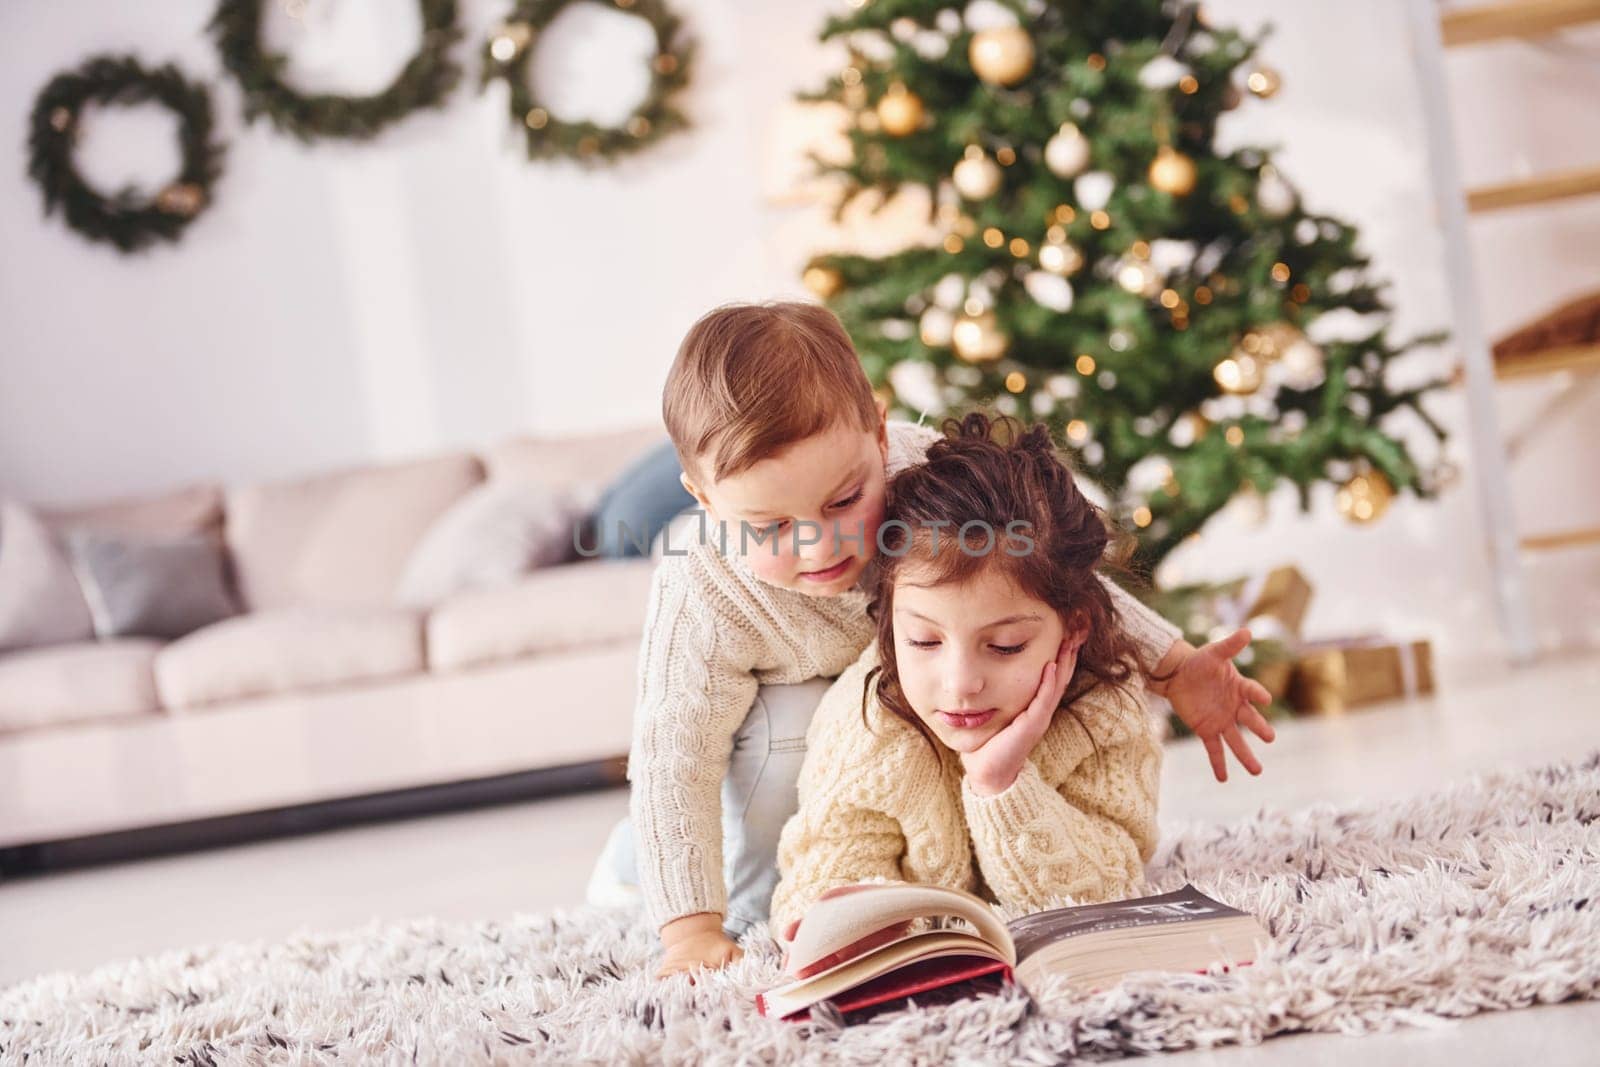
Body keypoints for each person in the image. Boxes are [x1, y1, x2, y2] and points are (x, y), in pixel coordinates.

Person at [606, 301, 1273, 978]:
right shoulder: (700, 590)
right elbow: (674, 757)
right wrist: (689, 928)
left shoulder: (919, 473)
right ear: (705, 500)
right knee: (790, 738)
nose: (820, 542)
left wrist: (1174, 662)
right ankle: (649, 871)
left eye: (844, 501)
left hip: (893, 691)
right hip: (775, 734)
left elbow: (1041, 578)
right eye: (771, 528)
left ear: (875, 429)